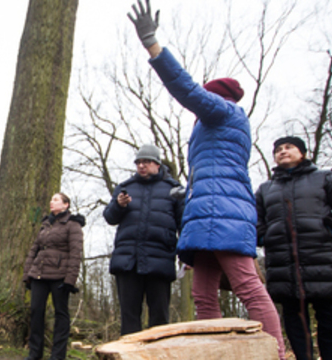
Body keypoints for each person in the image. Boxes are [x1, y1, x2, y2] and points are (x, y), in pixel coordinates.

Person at [127, 1, 286, 359]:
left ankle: (275, 354)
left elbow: (185, 89)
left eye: (205, 96)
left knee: (247, 285)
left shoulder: (224, 111)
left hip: (223, 210)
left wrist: (153, 45)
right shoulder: (215, 126)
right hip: (207, 212)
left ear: (216, 96)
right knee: (202, 294)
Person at [256, 136, 332, 360]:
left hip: (323, 263)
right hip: (283, 267)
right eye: (278, 149)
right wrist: (264, 236)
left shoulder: (324, 178)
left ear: (303, 153)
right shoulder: (265, 189)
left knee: (328, 321)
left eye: (289, 147)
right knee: (296, 326)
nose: (283, 151)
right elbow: (257, 222)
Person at [103, 144, 184, 335]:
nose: (141, 166)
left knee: (159, 319)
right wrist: (118, 205)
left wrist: (186, 256)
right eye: (138, 162)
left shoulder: (174, 190)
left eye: (146, 162)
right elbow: (109, 218)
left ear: (157, 164)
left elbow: (184, 225)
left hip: (160, 260)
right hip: (128, 261)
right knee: (129, 318)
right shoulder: (125, 188)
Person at [22, 192, 85, 360]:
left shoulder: (73, 225)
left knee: (61, 315)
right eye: (51, 199)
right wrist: (27, 275)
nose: (51, 202)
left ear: (66, 205)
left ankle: (57, 356)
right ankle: (34, 354)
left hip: (60, 277)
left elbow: (75, 254)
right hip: (39, 275)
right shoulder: (45, 224)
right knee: (36, 312)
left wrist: (70, 280)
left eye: (56, 199)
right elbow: (34, 250)